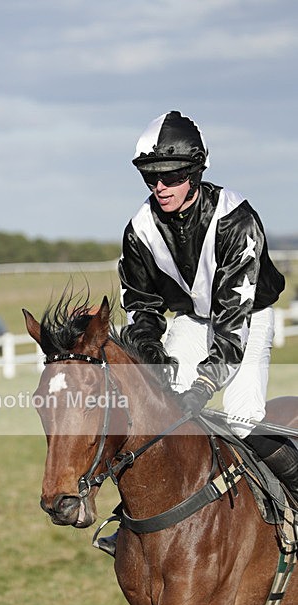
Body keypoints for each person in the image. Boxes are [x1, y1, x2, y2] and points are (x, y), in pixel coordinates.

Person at [118, 110, 298, 505]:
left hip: (247, 318)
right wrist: (153, 360)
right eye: (151, 177)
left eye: (172, 177)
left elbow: (234, 320)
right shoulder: (140, 229)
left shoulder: (236, 219)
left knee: (241, 420)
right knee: (164, 416)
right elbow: (141, 308)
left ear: (195, 173)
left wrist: (204, 383)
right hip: (194, 320)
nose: (160, 186)